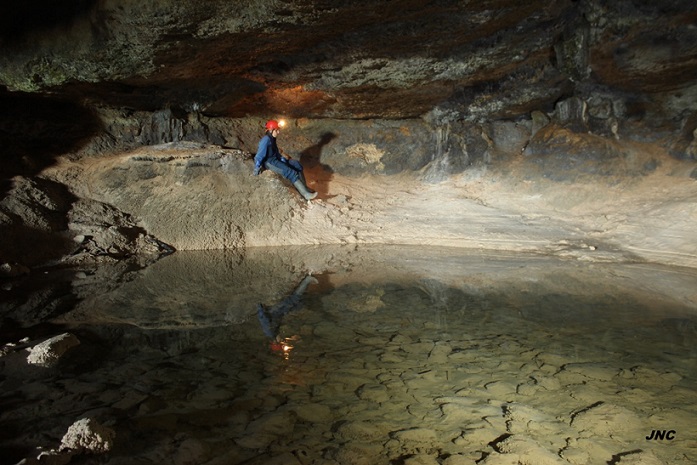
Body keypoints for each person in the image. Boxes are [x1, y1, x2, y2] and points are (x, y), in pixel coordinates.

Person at [253, 120, 317, 201]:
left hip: (276, 159)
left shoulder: (272, 138)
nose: (278, 132)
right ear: (271, 130)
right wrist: (257, 166)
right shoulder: (265, 140)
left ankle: (305, 188)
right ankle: (306, 195)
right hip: (270, 163)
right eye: (277, 130)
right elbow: (259, 155)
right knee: (290, 172)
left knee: (296, 164)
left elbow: (275, 152)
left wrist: (282, 159)